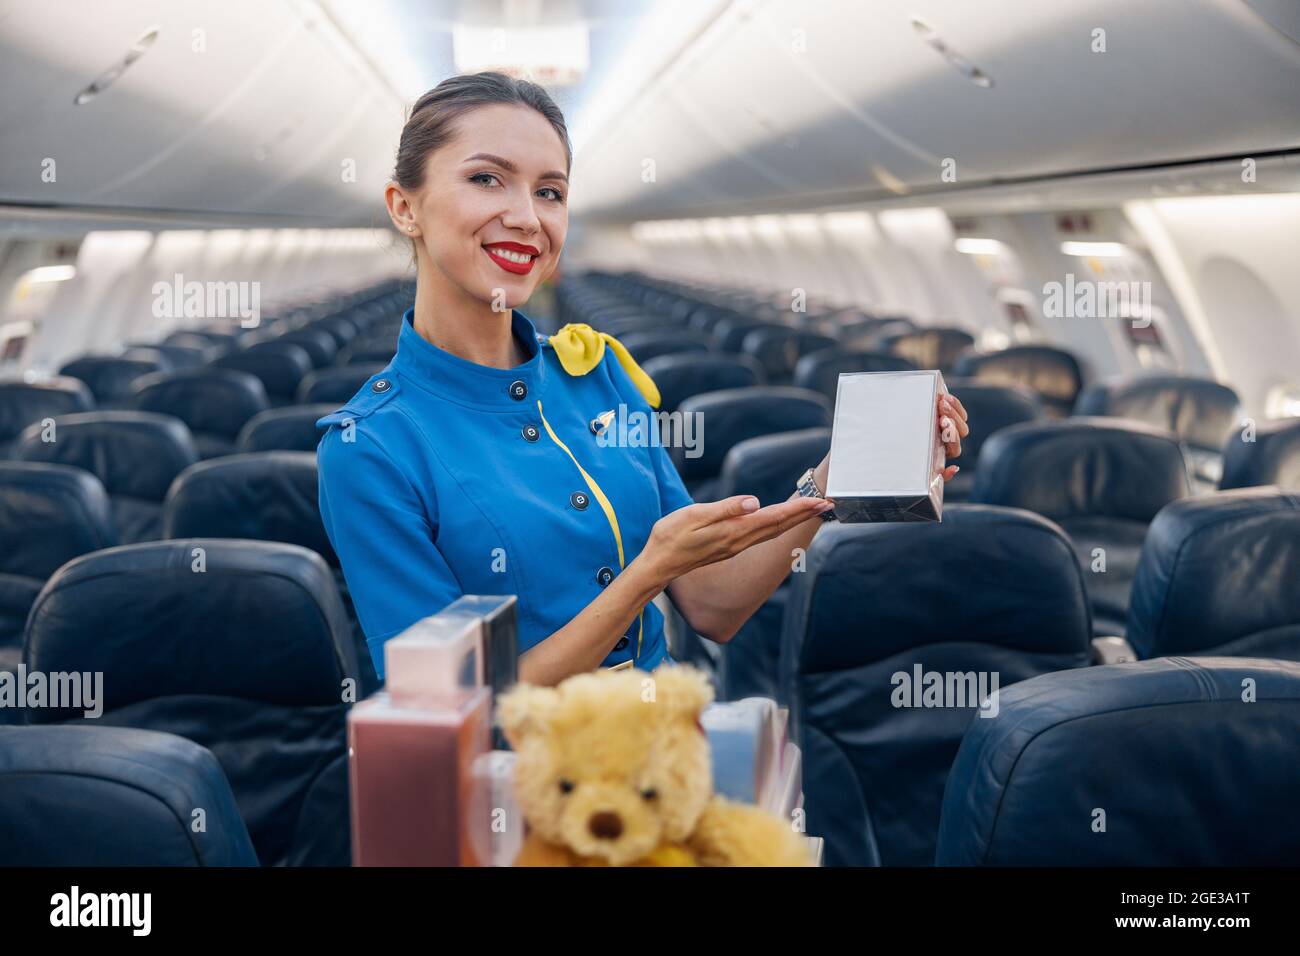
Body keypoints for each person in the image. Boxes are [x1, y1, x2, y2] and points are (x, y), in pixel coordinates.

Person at [316, 72, 969, 687]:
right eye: (487, 179)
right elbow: (455, 707)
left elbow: (711, 603)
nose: (526, 216)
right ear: (405, 207)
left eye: (550, 191)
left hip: (664, 762)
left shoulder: (598, 377)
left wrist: (847, 469)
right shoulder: (369, 449)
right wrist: (644, 576)